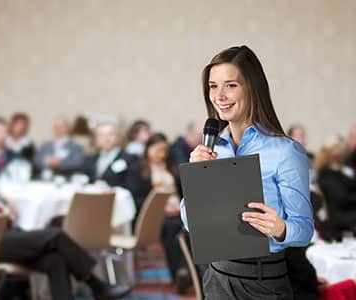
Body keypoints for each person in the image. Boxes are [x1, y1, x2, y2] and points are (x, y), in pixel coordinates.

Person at [180, 45, 314, 299]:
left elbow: (305, 230)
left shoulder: (286, 151)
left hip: (263, 282)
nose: (220, 95)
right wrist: (196, 177)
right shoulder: (212, 148)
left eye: (231, 85)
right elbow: (190, 225)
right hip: (217, 278)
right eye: (213, 86)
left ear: (252, 88)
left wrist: (280, 229)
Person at [0, 131, 131, 300]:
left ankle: (91, 290)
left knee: (55, 259)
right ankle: (96, 285)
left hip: (8, 233)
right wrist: (0, 217)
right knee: (55, 235)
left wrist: (5, 204)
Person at [134, 133, 190, 293]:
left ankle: (187, 271)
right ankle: (179, 272)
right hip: (156, 215)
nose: (162, 154)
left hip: (178, 211)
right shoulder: (139, 170)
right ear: (148, 150)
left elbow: (181, 192)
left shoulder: (171, 167)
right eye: (158, 150)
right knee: (172, 228)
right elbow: (138, 199)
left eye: (165, 150)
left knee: (190, 226)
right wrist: (162, 208)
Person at [81, 122, 141, 197]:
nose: (106, 138)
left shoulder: (130, 159)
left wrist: (114, 190)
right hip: (92, 200)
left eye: (111, 134)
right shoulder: (89, 160)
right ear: (95, 140)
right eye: (102, 135)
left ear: (119, 137)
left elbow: (133, 187)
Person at [313, 135, 356, 237]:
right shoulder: (326, 174)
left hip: (346, 212)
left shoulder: (338, 171)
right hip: (339, 216)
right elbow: (341, 198)